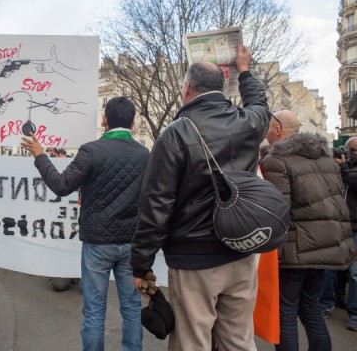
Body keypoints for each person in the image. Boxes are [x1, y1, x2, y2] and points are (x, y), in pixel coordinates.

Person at [130, 46, 268, 351]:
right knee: (239, 339)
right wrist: (245, 71)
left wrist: (140, 265)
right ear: (221, 88)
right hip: (242, 251)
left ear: (187, 89)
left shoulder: (175, 135)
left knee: (192, 341)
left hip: (195, 259)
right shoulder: (249, 123)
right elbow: (260, 103)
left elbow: (156, 207)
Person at [21, 96, 149, 351]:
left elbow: (61, 185)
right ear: (133, 123)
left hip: (97, 243)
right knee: (132, 309)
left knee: (94, 311)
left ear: (104, 119)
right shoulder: (145, 154)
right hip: (132, 243)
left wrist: (40, 155)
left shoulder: (90, 150)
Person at [261, 110, 356, 350]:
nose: (267, 133)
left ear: (279, 130)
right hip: (325, 247)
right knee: (311, 307)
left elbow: (277, 211)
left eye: (269, 128)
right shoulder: (326, 159)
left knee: (286, 311)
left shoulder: (276, 161)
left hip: (294, 250)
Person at [326, 136, 357, 331]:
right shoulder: (342, 168)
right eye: (350, 150)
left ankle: (354, 313)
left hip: (355, 226)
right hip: (338, 223)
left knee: (355, 273)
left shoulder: (347, 170)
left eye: (355, 150)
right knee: (332, 267)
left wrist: (344, 168)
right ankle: (332, 300)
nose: (352, 154)